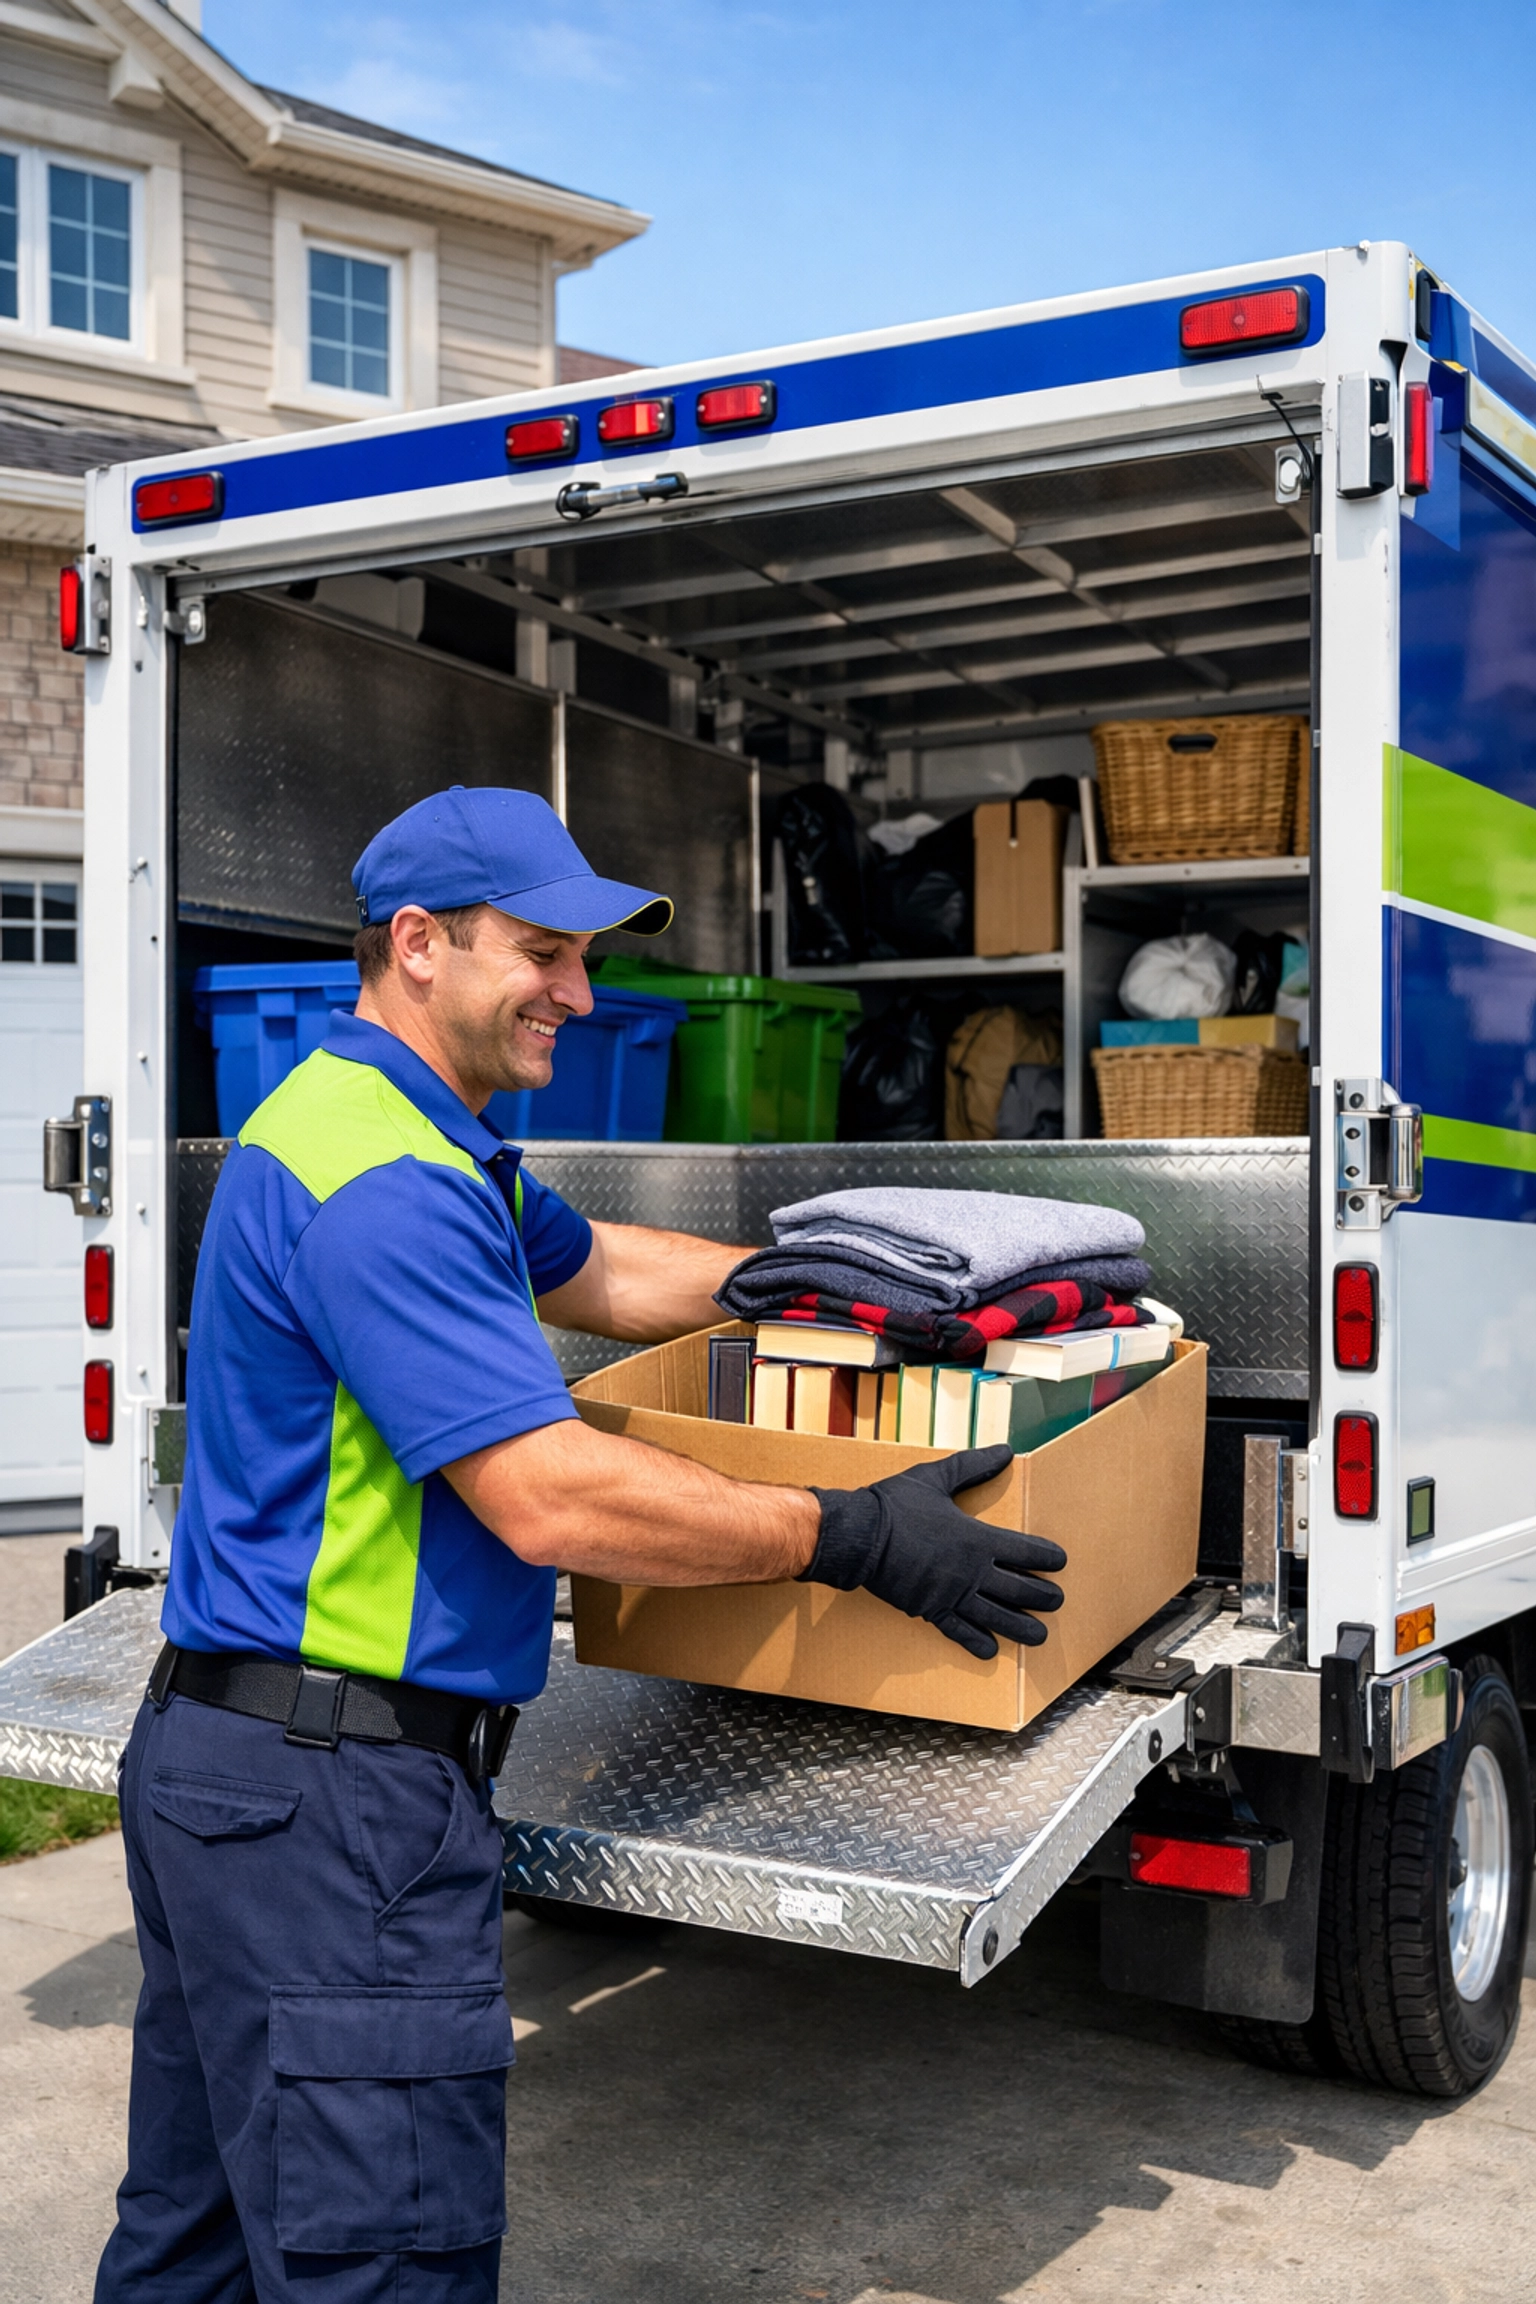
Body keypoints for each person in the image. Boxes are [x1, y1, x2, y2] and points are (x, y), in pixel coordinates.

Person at [97, 785, 1066, 2302]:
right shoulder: (390, 1189)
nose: (580, 994)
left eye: (584, 958)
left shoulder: (392, 1124)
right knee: (381, 2266)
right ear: (418, 945)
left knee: (200, 2252)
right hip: (332, 1809)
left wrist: (822, 1284)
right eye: (543, 952)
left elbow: (599, 1266)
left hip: (241, 1776)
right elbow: (552, 1495)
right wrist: (852, 1533)